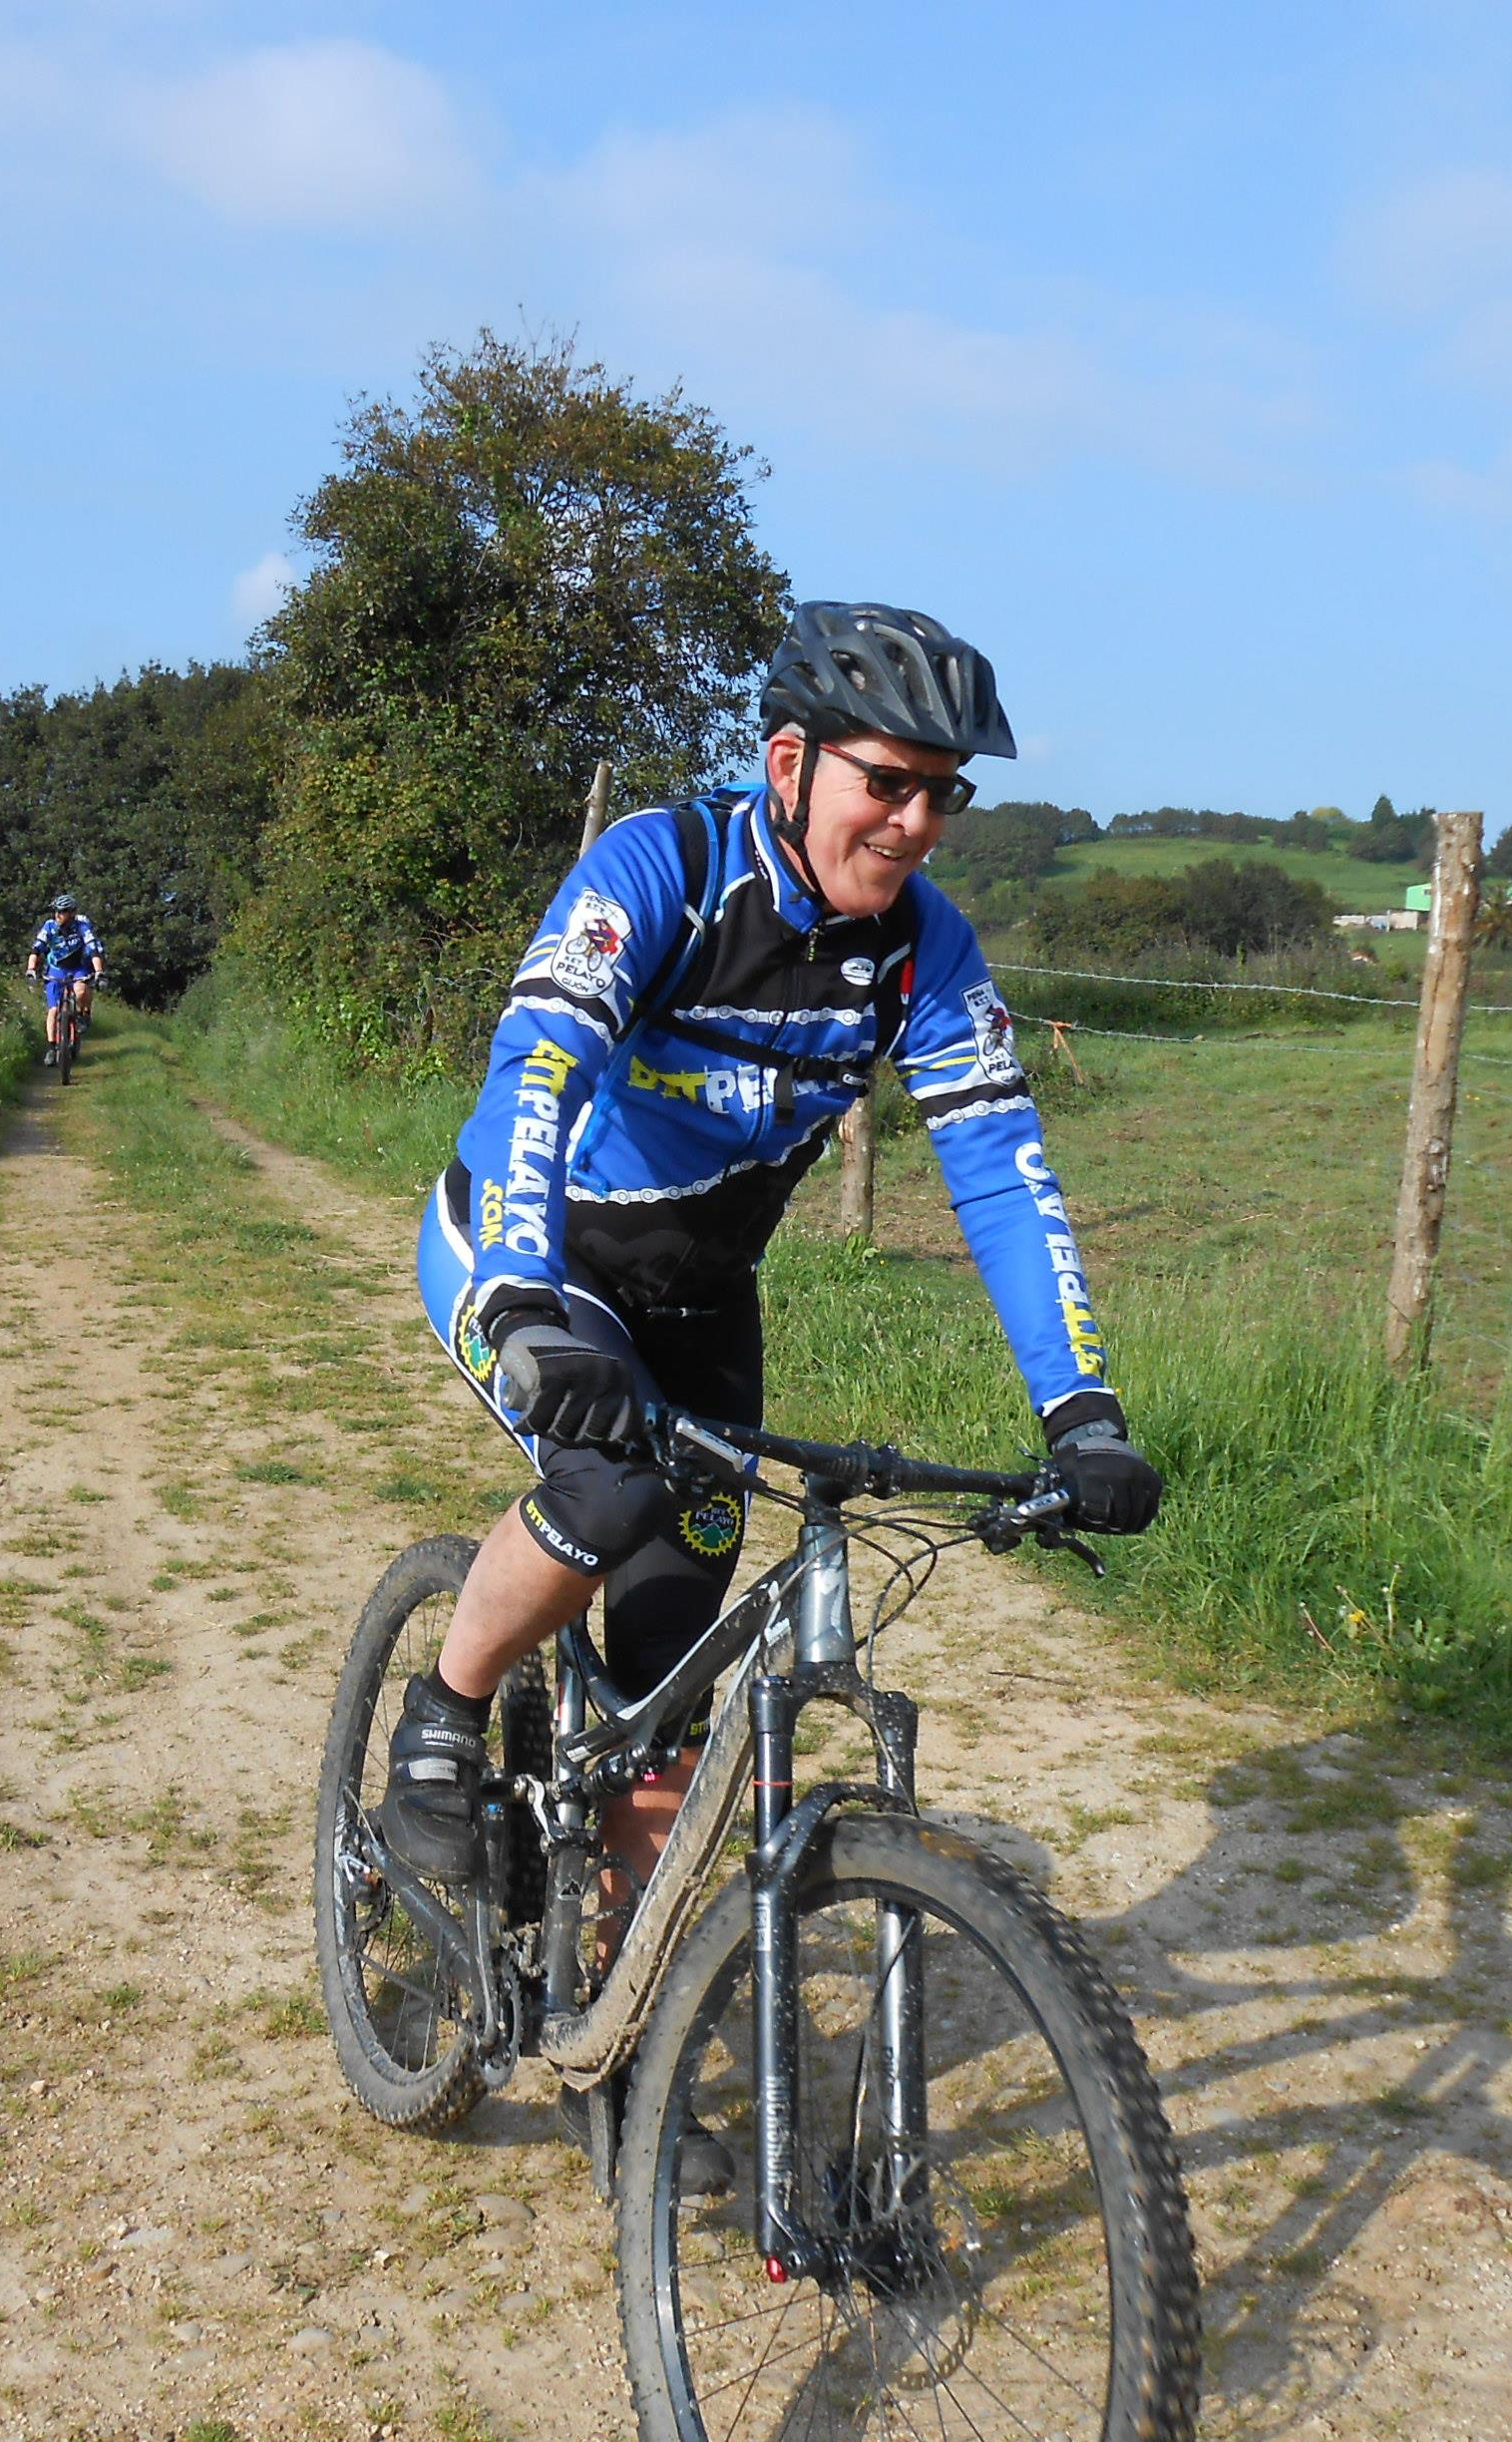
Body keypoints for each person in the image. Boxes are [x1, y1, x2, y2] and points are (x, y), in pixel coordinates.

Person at [392, 602, 1165, 1898]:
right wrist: (522, 1299)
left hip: (701, 1300)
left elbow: (1001, 1172)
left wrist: (1081, 1408)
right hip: (532, 1254)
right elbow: (536, 1073)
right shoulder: (665, 870)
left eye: (942, 793)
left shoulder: (926, 949)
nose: (915, 824)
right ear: (790, 762)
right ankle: (442, 1716)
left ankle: (625, 1972)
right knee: (606, 1498)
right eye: (888, 784)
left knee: (673, 1656)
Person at [27, 893, 105, 1063]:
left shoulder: (81, 927)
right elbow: (36, 949)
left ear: (71, 913)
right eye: (56, 911)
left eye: (62, 911)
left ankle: (83, 1014)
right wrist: (31, 969)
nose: (57, 915)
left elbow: (93, 949)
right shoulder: (49, 926)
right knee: (53, 1010)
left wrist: (99, 971)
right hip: (56, 969)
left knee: (81, 991)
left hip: (78, 968)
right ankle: (51, 1048)